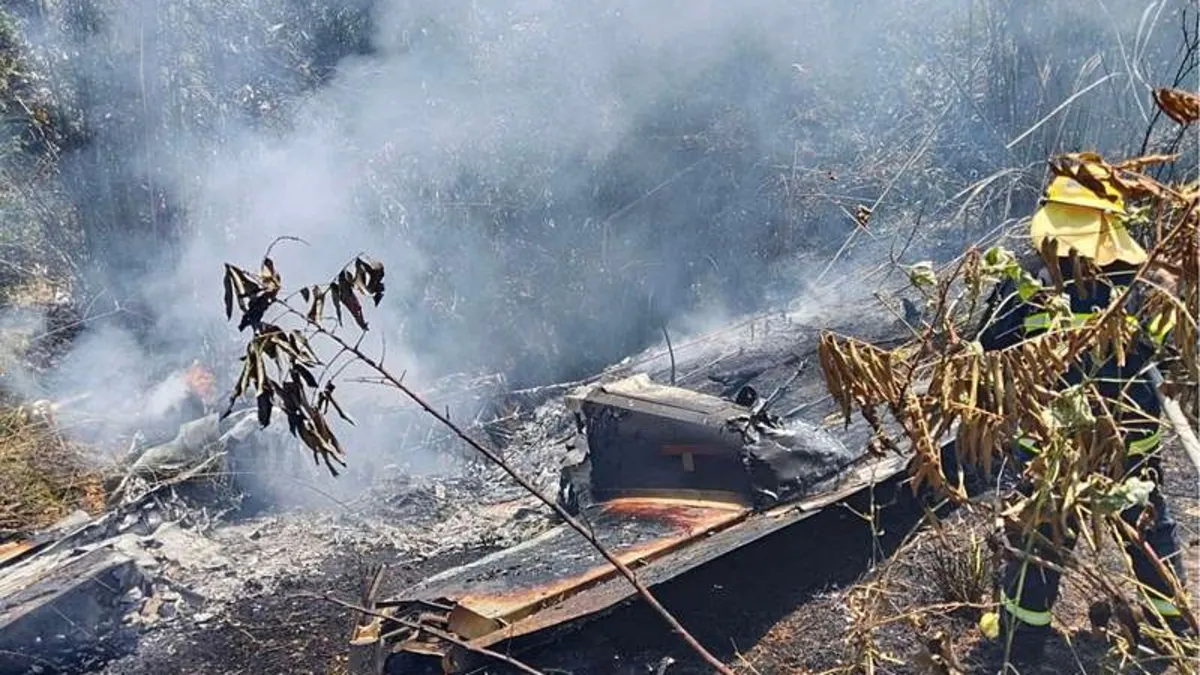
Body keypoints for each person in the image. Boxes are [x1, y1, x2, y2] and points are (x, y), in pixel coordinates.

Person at [976, 167, 1188, 663]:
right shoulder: (1142, 282)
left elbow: (986, 354)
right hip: (1128, 444)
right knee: (1147, 530)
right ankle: (1173, 627)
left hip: (1053, 448)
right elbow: (1170, 352)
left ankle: (1019, 643)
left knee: (1039, 540)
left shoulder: (1025, 284)